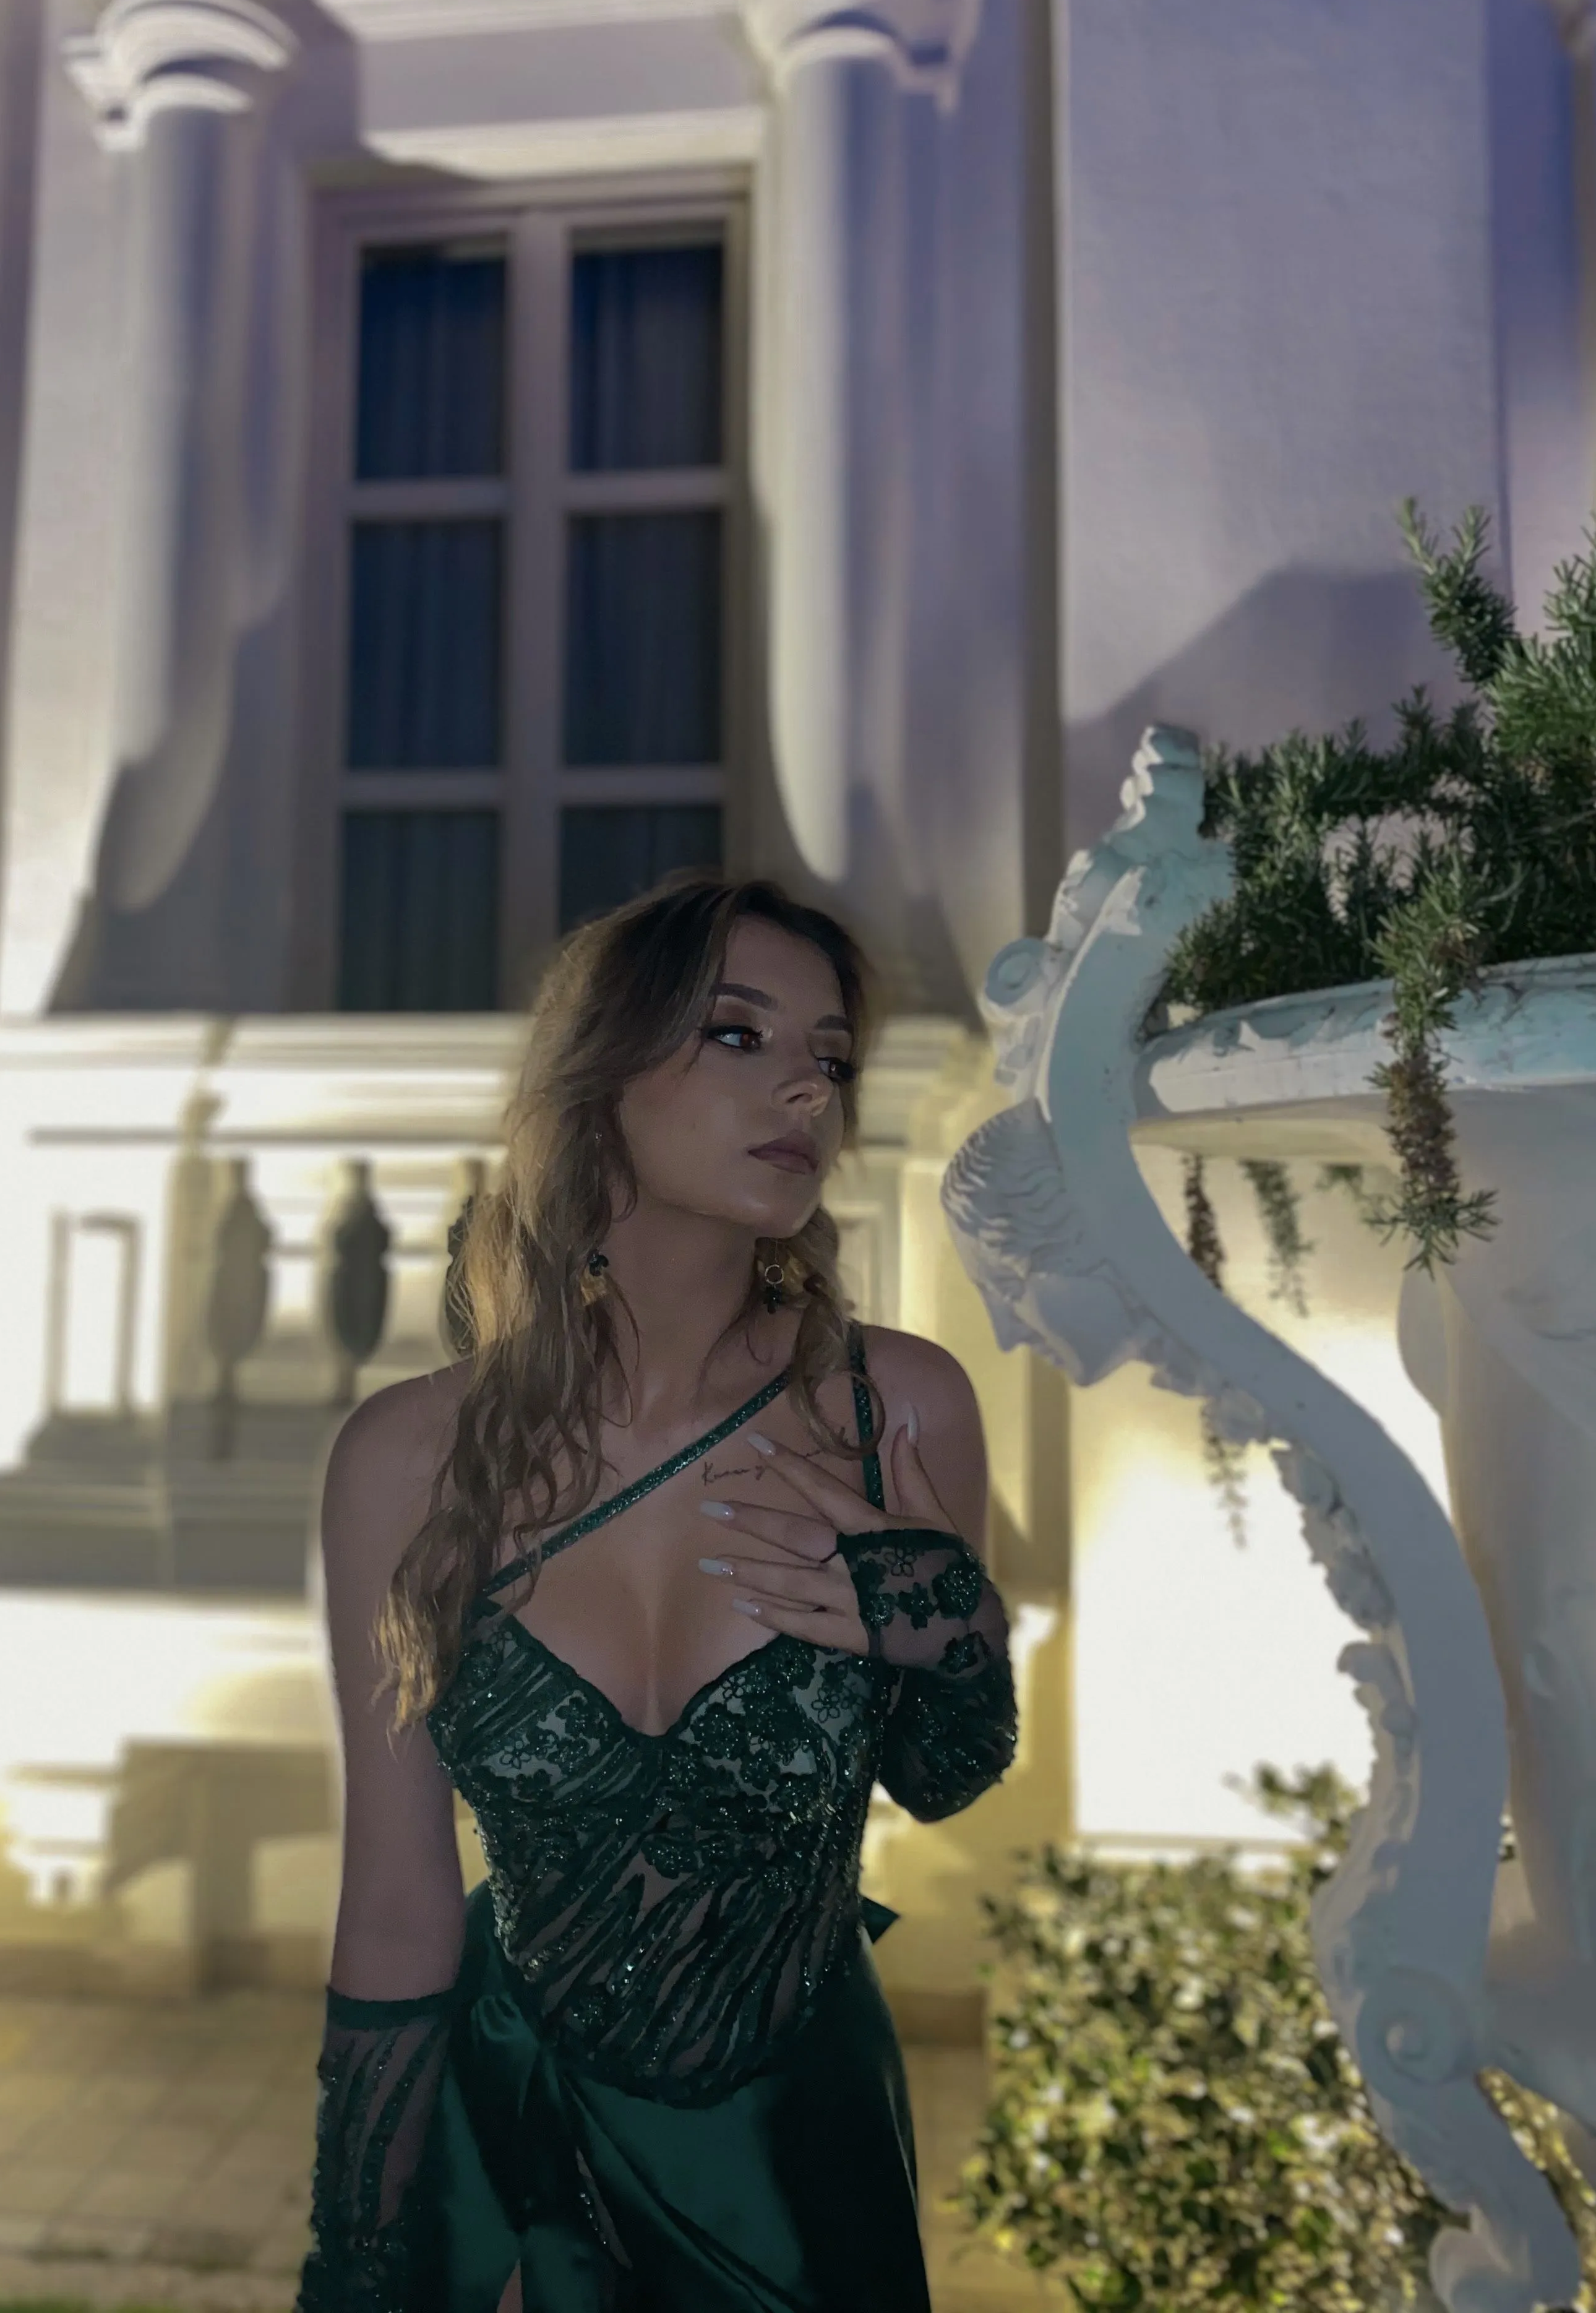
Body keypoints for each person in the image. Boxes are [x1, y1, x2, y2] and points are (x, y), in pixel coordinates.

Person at [296, 876, 1018, 2312]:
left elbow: (947, 1777)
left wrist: (940, 1627)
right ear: (601, 1074)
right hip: (510, 2151)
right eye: (740, 1035)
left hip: (795, 2169)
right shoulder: (406, 1456)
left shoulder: (896, 1408)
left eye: (830, 1058)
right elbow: (395, 1896)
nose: (807, 1087)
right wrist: (363, 2258)